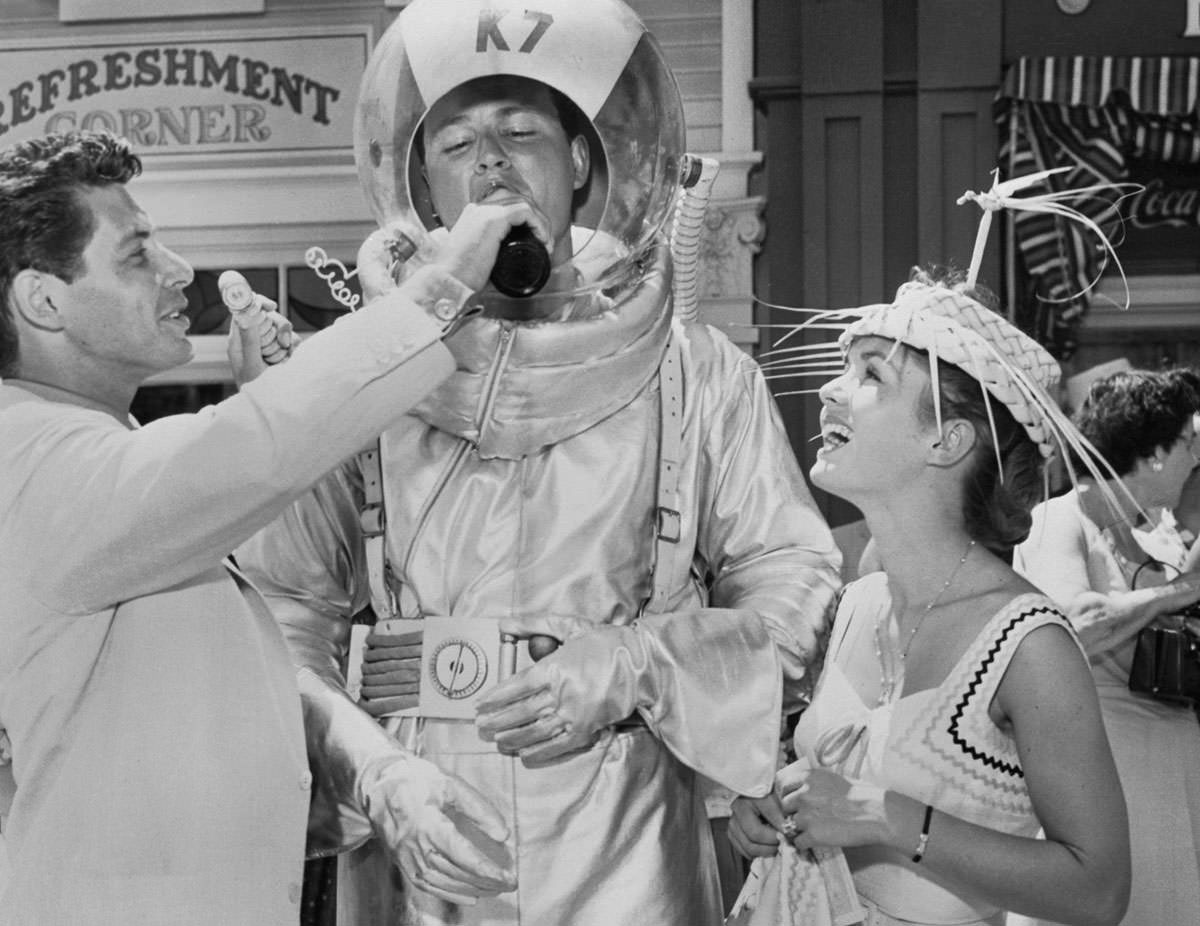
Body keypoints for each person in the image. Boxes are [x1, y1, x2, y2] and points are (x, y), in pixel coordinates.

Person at [234, 1, 842, 923]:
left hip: (629, 833)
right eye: (457, 142)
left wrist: (639, 662)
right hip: (420, 840)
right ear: (419, 184)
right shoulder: (359, 377)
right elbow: (281, 617)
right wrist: (378, 773)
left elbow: (793, 576)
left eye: (522, 131)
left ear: (582, 161)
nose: (491, 162)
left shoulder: (698, 373)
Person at [0, 128, 528, 925]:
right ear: (44, 301)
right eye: (138, 253)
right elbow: (248, 454)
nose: (182, 272)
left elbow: (230, 696)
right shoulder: (28, 459)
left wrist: (382, 775)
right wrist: (441, 290)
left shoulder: (105, 463)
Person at [727, 269, 1131, 926]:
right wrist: (767, 818)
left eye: (870, 376)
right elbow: (825, 797)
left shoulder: (1029, 648)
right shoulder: (857, 604)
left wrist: (883, 815)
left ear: (947, 441)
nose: (831, 391)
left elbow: (1100, 890)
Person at [1012, 368, 1200, 926]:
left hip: (1175, 767)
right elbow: (1076, 624)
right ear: (1157, 453)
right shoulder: (1056, 522)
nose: (1196, 460)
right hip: (1107, 776)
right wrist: (1182, 591)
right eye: (1190, 444)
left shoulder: (1160, 537)